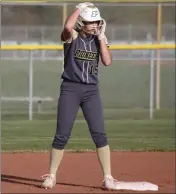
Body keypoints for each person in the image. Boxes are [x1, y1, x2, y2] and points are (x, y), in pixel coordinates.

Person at [41, 2, 120, 190]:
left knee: (99, 134)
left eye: (97, 21)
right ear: (81, 23)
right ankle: (51, 175)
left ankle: (108, 177)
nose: (95, 25)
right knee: (62, 135)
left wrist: (101, 38)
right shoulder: (72, 37)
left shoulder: (99, 38)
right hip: (70, 89)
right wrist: (80, 7)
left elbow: (107, 61)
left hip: (91, 91)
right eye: (90, 22)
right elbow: (68, 27)